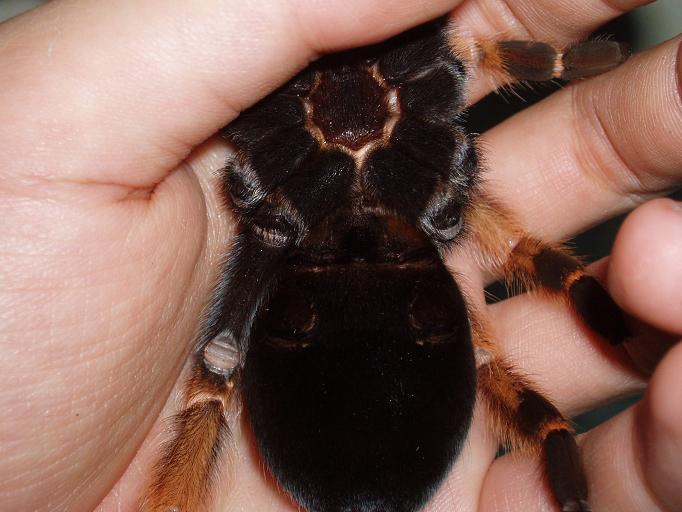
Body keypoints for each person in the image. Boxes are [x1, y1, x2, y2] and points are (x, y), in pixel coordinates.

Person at [0, 0, 680, 510]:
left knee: (214, 382)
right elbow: (480, 78)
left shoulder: (273, 138)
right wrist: (550, 65)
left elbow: (485, 87)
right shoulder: (433, 139)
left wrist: (551, 63)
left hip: (303, 251)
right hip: (368, 256)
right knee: (507, 329)